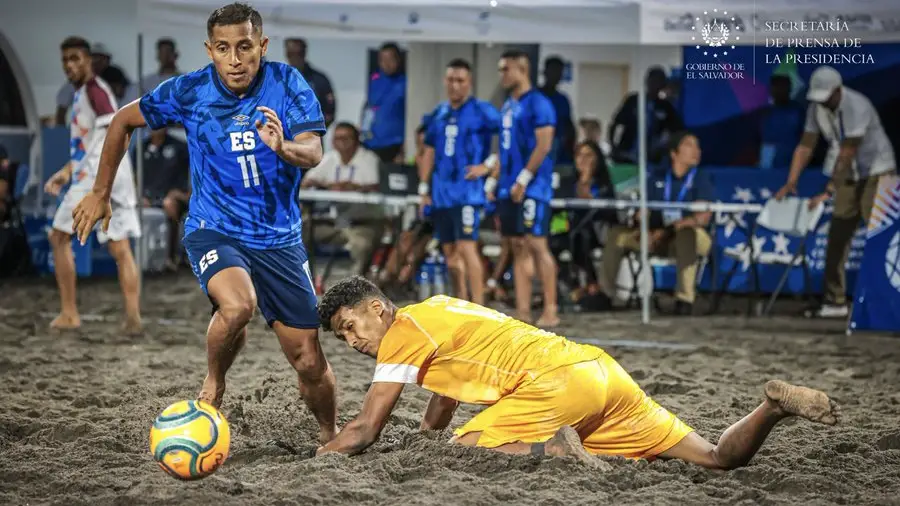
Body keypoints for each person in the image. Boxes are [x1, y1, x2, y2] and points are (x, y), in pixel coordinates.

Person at [69, 3, 338, 444]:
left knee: (308, 359)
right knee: (237, 306)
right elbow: (121, 121)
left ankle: (330, 435)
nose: (235, 59)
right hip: (214, 226)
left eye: (245, 47)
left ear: (262, 46)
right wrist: (100, 192)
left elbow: (313, 150)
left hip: (279, 239)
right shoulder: (189, 90)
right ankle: (214, 382)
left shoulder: (288, 83)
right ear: (210, 50)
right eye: (224, 48)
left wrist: (284, 146)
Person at [314, 276, 841, 469]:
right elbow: (444, 394)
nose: (352, 340)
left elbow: (365, 430)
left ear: (378, 308)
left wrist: (324, 451)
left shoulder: (403, 331)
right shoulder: (441, 307)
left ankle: (557, 450)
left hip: (557, 387)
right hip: (599, 368)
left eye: (349, 325)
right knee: (716, 459)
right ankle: (771, 406)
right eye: (342, 337)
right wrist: (426, 438)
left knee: (465, 450)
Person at [774, 65, 897, 319]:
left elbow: (847, 152)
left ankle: (887, 299)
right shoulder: (816, 108)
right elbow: (806, 145)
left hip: (877, 172)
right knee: (837, 237)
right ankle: (836, 300)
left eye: (827, 97)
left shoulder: (857, 106)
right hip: (848, 176)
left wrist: (828, 190)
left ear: (838, 90)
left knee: (880, 238)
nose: (823, 103)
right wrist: (791, 180)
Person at [43, 36, 142, 333]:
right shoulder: (88, 93)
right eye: (65, 60)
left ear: (89, 60)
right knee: (120, 247)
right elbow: (92, 144)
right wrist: (66, 171)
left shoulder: (95, 91)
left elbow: (111, 138)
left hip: (98, 180)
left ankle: (70, 313)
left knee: (59, 238)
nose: (70, 65)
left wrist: (98, 188)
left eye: (75, 58)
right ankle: (133, 319)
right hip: (113, 179)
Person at [599, 131, 713, 315]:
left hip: (689, 238)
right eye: (689, 145)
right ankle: (605, 293)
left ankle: (685, 298)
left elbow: (702, 217)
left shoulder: (700, 178)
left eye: (697, 146)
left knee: (687, 235)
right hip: (657, 236)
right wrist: (643, 227)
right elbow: (644, 211)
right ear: (674, 153)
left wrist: (669, 230)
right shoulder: (657, 178)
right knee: (617, 235)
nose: (696, 151)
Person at [419, 58, 501, 305]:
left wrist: (488, 169)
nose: (455, 85)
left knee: (467, 248)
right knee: (450, 254)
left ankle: (478, 305)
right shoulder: (439, 113)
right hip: (442, 193)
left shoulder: (483, 111)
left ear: (469, 83)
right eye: (451, 80)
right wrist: (424, 188)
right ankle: (461, 302)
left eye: (460, 81)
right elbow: (429, 151)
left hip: (468, 192)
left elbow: (507, 142)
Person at [488, 49, 558, 327]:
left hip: (533, 187)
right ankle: (523, 310)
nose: (502, 75)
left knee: (537, 244)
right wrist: (495, 180)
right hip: (509, 187)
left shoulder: (538, 104)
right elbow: (505, 151)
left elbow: (544, 145)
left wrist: (524, 179)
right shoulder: (507, 105)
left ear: (521, 69)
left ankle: (551, 307)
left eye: (506, 69)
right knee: (517, 245)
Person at [301, 122, 382, 275]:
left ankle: (355, 288)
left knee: (362, 245)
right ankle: (306, 279)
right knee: (299, 233)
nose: (342, 143)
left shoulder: (369, 159)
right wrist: (329, 185)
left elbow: (374, 186)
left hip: (360, 224)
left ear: (357, 140)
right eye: (337, 139)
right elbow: (307, 182)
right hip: (331, 223)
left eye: (346, 138)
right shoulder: (329, 158)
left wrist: (352, 187)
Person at [137, 127, 190, 268]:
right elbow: (134, 177)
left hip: (174, 196)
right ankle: (141, 259)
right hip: (147, 197)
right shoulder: (140, 148)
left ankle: (171, 257)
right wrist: (140, 195)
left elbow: (191, 176)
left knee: (169, 205)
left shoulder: (179, 146)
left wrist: (183, 193)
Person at [608, 66, 682, 165]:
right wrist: (613, 146)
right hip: (626, 153)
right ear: (647, 81)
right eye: (653, 81)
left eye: (659, 82)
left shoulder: (665, 107)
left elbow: (675, 130)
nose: (655, 85)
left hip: (651, 157)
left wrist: (663, 148)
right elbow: (616, 123)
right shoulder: (633, 100)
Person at [361, 42, 406, 163]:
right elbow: (369, 107)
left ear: (398, 60)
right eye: (383, 59)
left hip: (395, 143)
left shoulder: (405, 83)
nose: (386, 64)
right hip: (372, 141)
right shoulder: (374, 80)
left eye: (390, 59)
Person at [285, 38, 336, 129]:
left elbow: (330, 112)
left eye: (299, 54)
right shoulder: (278, 78)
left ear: (305, 53)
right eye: (291, 54)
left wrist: (315, 130)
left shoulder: (319, 79)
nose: (295, 58)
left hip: (311, 134)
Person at [758, 73, 805, 170]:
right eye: (777, 86)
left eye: (784, 86)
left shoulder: (798, 110)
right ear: (770, 89)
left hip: (792, 159)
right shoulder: (763, 112)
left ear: (790, 88)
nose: (780, 90)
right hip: (768, 161)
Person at [539, 56, 575, 165]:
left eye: (559, 72)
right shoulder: (534, 98)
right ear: (545, 72)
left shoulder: (563, 100)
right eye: (553, 71)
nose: (556, 75)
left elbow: (568, 126)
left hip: (559, 152)